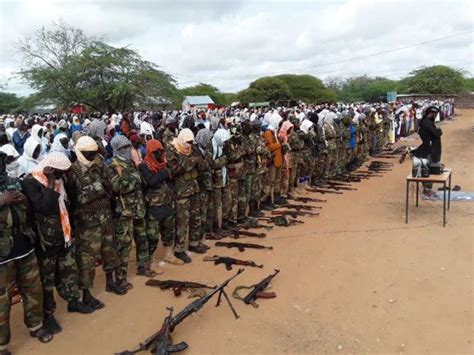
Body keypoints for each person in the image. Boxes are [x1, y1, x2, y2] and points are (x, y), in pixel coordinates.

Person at [21, 152, 93, 336]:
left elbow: (71, 205)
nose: (64, 176)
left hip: (64, 236)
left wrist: (66, 182)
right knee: (47, 280)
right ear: (51, 169)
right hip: (46, 241)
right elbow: (44, 207)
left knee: (69, 271)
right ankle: (48, 315)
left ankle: (73, 301)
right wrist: (52, 182)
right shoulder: (31, 182)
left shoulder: (62, 182)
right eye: (61, 172)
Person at [0, 151, 54, 355]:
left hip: (23, 243)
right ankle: (2, 345)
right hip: (2, 253)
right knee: (2, 300)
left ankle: (36, 326)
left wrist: (22, 200)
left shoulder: (13, 182)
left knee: (33, 289)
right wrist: (2, 201)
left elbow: (31, 208)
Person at [70, 136, 127, 306]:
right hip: (88, 223)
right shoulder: (73, 172)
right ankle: (86, 293)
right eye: (88, 154)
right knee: (87, 259)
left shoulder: (98, 166)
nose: (92, 156)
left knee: (109, 250)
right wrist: (99, 188)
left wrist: (98, 189)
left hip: (105, 216)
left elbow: (111, 187)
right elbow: (78, 198)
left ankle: (110, 282)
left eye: (93, 153)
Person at [108, 135, 155, 291]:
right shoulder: (113, 166)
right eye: (123, 148)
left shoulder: (130, 163)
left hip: (138, 207)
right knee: (124, 245)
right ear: (116, 150)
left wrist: (133, 179)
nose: (127, 150)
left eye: (128, 146)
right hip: (125, 211)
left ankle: (143, 266)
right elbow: (118, 187)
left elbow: (138, 182)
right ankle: (121, 279)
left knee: (142, 238)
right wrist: (135, 179)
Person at [138, 139, 183, 267]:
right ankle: (151, 261)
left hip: (167, 202)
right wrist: (164, 172)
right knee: (152, 235)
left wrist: (165, 172)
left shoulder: (163, 164)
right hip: (154, 206)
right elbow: (151, 180)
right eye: (157, 152)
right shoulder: (144, 166)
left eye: (161, 151)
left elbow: (170, 179)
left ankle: (168, 254)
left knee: (168, 231)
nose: (160, 154)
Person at [166, 128, 202, 263]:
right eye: (187, 142)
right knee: (182, 221)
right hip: (181, 191)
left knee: (195, 217)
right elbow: (174, 170)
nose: (189, 144)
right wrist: (192, 162)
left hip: (193, 187)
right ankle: (179, 249)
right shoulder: (172, 150)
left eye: (191, 142)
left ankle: (194, 243)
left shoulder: (192, 149)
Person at [413, 106, 442, 196]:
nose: (436, 115)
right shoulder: (427, 123)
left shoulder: (427, 122)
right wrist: (439, 131)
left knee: (427, 168)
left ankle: (427, 189)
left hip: (430, 147)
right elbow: (436, 133)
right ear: (431, 113)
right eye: (435, 114)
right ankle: (427, 190)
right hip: (429, 149)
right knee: (427, 169)